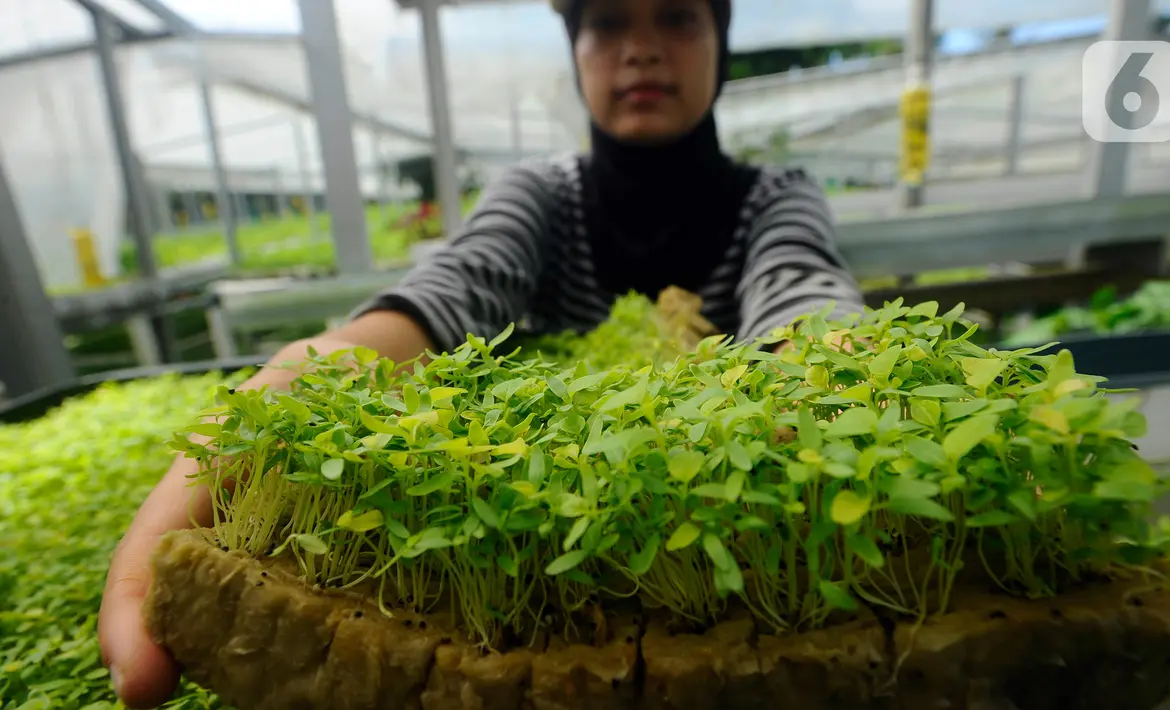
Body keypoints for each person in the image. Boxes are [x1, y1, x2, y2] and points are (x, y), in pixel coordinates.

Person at [97, 0, 864, 706]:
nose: (640, 52)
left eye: (675, 18)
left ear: (719, 43)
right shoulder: (541, 194)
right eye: (606, 23)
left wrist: (840, 364)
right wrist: (314, 367)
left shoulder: (777, 198)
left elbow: (801, 294)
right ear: (575, 49)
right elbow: (448, 292)